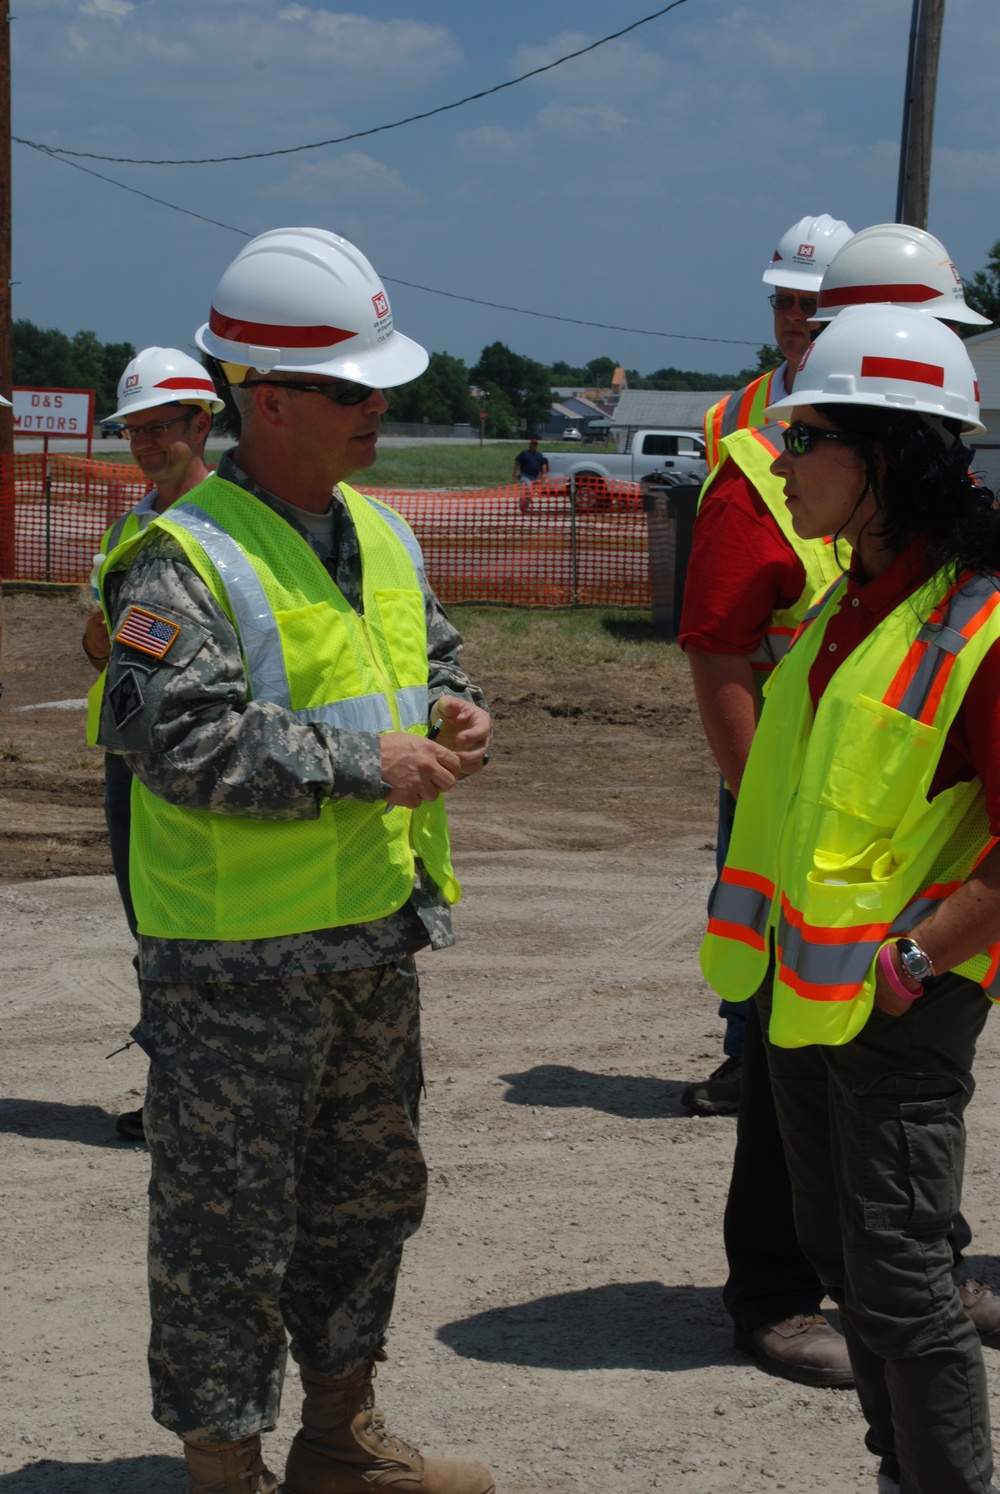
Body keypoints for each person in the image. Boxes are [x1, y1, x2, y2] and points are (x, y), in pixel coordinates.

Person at [95, 227, 495, 1494]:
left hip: (373, 934)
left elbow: (426, 658)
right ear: (264, 400)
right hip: (233, 965)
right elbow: (174, 738)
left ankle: (338, 1436)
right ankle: (226, 1469)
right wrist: (361, 765)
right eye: (351, 388)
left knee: (366, 1201)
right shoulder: (183, 555)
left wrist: (454, 709)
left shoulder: (380, 532)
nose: (380, 406)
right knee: (225, 1232)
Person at [702, 302, 1000, 1494]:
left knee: (898, 1280)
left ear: (883, 456)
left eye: (806, 433)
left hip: (895, 1004)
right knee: (843, 1259)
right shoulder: (842, 606)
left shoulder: (975, 620)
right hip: (803, 1001)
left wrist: (917, 962)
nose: (779, 457)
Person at [682, 213, 855, 1118]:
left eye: (813, 305)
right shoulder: (733, 417)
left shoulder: (876, 404)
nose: (796, 321)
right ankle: (746, 1045)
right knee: (744, 872)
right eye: (787, 304)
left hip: (850, 708)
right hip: (764, 696)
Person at [82, 348, 224, 1142]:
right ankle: (174, 1092)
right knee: (154, 929)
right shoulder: (132, 527)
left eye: (160, 427)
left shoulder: (231, 524)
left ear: (202, 423)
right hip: (131, 760)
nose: (144, 444)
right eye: (132, 430)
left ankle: (211, 1096)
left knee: (207, 926)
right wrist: (103, 639)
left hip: (205, 755)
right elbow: (102, 648)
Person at [511, 435, 548, 512]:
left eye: (535, 445)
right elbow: (517, 463)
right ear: (530, 445)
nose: (534, 446)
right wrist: (514, 473)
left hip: (534, 477)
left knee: (530, 492)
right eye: (532, 444)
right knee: (527, 489)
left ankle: (525, 507)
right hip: (525, 475)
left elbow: (543, 464)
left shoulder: (539, 455)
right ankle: (522, 505)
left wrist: (544, 474)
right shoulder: (524, 454)